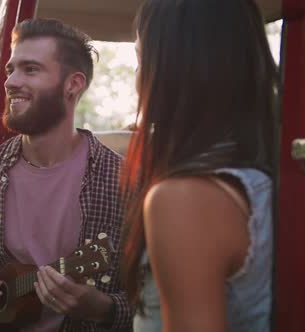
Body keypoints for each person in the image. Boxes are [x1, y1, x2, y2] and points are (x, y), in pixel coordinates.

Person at [0, 18, 132, 332]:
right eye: (11, 69)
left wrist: (107, 309)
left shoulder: (123, 182)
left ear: (73, 84)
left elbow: (156, 295)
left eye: (30, 69)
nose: (10, 81)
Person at [120, 0, 277, 331]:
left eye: (140, 60)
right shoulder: (261, 173)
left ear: (172, 66)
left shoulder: (184, 198)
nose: (137, 80)